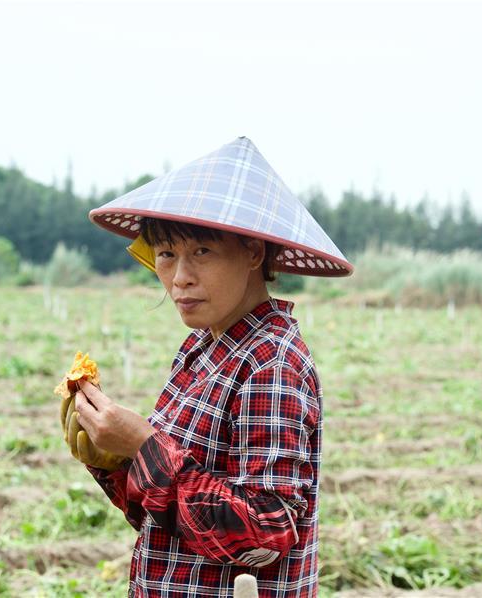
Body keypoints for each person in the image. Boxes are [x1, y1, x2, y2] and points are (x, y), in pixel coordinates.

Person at [64, 137, 352, 597]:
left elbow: (265, 536)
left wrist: (144, 446)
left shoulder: (271, 364)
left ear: (254, 252)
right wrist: (114, 462)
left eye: (202, 252)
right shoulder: (199, 349)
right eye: (165, 254)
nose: (180, 278)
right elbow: (165, 514)